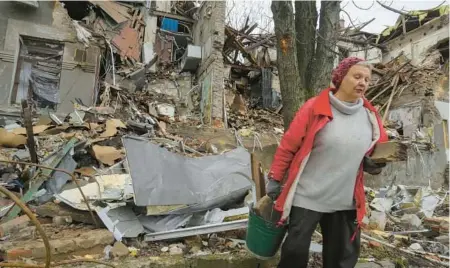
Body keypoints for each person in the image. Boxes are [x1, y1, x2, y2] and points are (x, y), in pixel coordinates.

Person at [266, 57, 388, 268]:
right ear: (340, 78)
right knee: (294, 253)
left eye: (367, 80)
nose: (363, 83)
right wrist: (275, 178)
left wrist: (374, 164)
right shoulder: (315, 107)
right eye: (357, 76)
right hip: (308, 196)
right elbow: (289, 145)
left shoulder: (370, 116)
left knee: (342, 259)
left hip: (344, 200)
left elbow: (379, 151)